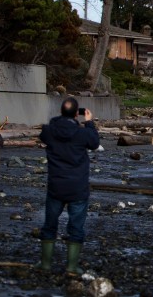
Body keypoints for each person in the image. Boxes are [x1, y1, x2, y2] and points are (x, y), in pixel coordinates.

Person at [36, 98, 100, 274]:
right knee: (76, 227)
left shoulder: (50, 131)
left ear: (61, 112)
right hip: (78, 187)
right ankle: (72, 266)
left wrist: (61, 118)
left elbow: (46, 130)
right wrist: (88, 123)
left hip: (56, 186)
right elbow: (95, 143)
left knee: (50, 225)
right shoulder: (82, 134)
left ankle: (45, 264)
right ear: (76, 113)